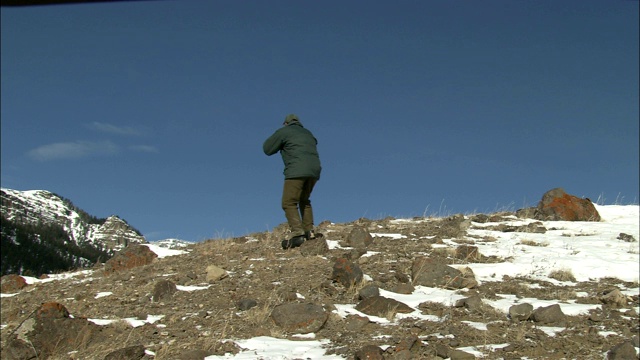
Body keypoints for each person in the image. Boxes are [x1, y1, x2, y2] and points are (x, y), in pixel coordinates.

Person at [263, 114, 322, 249]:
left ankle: (297, 234)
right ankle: (309, 231)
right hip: (314, 171)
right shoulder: (308, 133)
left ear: (286, 123)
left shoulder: (284, 132)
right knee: (304, 200)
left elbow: (267, 149)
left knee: (288, 202)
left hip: (296, 170)